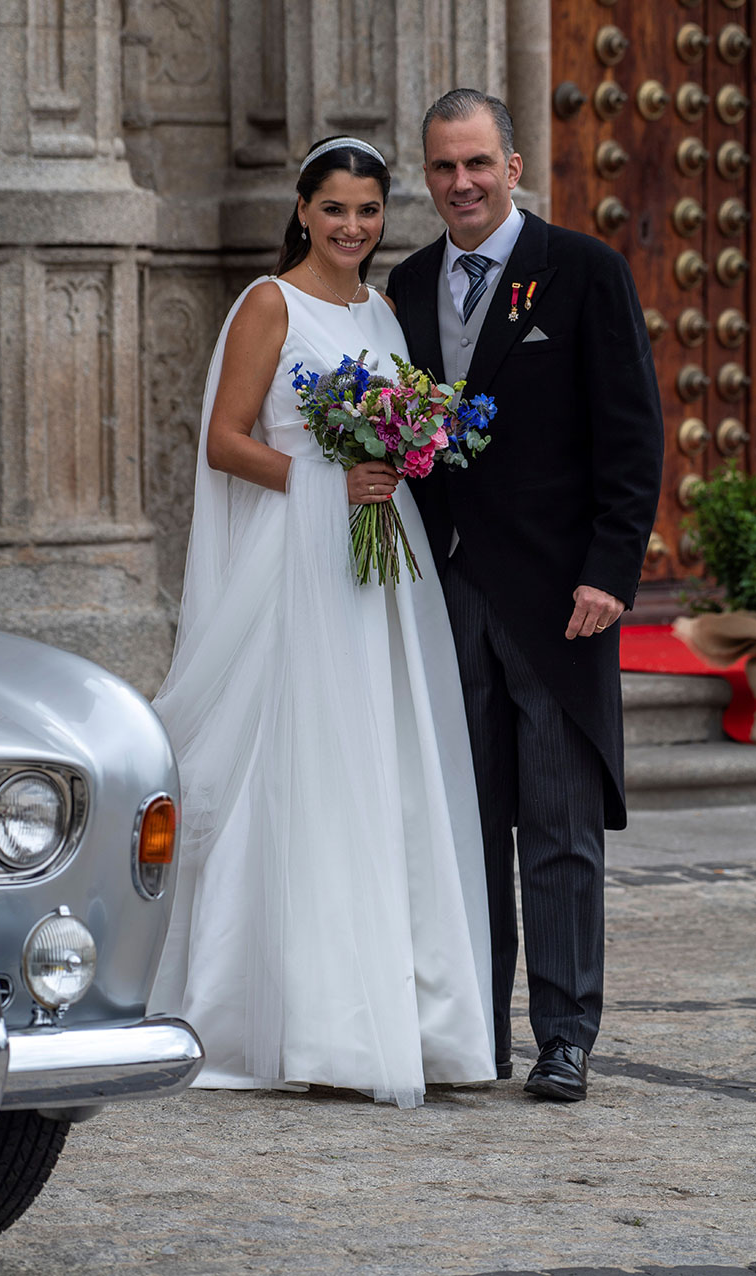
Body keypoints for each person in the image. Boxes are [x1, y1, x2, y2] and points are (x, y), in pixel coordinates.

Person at [148, 136, 496, 1109]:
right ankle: (300, 1017)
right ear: (301, 210)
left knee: (383, 766)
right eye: (334, 209)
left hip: (377, 570)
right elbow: (225, 440)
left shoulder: (382, 310)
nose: (352, 227)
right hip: (298, 564)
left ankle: (409, 1013)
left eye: (369, 211)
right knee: (298, 764)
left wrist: (400, 453)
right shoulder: (270, 303)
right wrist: (324, 477)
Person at [386, 90, 664, 1102]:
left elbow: (631, 432)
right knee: (466, 823)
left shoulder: (583, 272)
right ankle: (474, 1032)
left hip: (559, 598)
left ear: (511, 163)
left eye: (477, 164)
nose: (460, 184)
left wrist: (611, 567)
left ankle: (564, 1032)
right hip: (443, 591)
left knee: (556, 821)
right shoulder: (407, 285)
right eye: (442, 169)